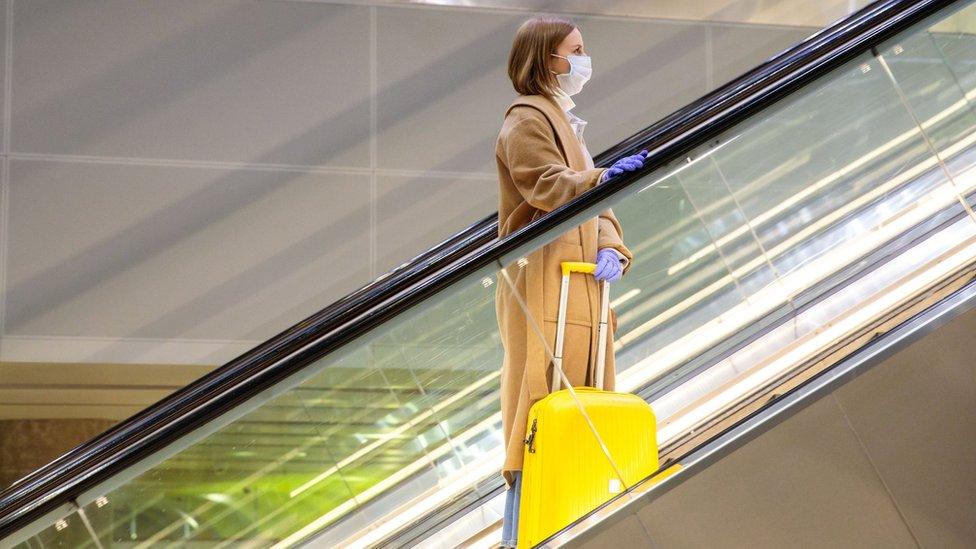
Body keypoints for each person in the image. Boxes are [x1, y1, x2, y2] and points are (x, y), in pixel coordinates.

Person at [494, 14, 646, 548]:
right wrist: (600, 177)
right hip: (543, 279)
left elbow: (592, 205)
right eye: (574, 51)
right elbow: (548, 186)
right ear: (545, 59)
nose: (582, 61)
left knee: (580, 409)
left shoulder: (564, 121)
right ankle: (524, 534)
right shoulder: (526, 121)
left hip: (579, 281)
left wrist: (611, 246)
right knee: (537, 413)